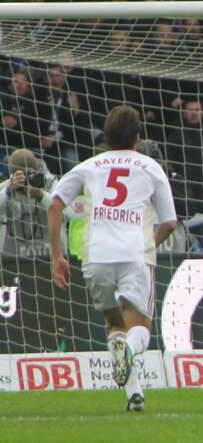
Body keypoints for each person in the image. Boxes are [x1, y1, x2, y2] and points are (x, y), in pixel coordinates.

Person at [45, 107, 178, 412]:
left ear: (105, 137)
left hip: (97, 256)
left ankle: (134, 395)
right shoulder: (150, 166)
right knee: (139, 326)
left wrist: (58, 257)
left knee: (114, 324)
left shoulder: (89, 166)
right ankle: (130, 349)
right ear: (138, 137)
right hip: (133, 254)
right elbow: (170, 222)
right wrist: (149, 246)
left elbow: (54, 206)